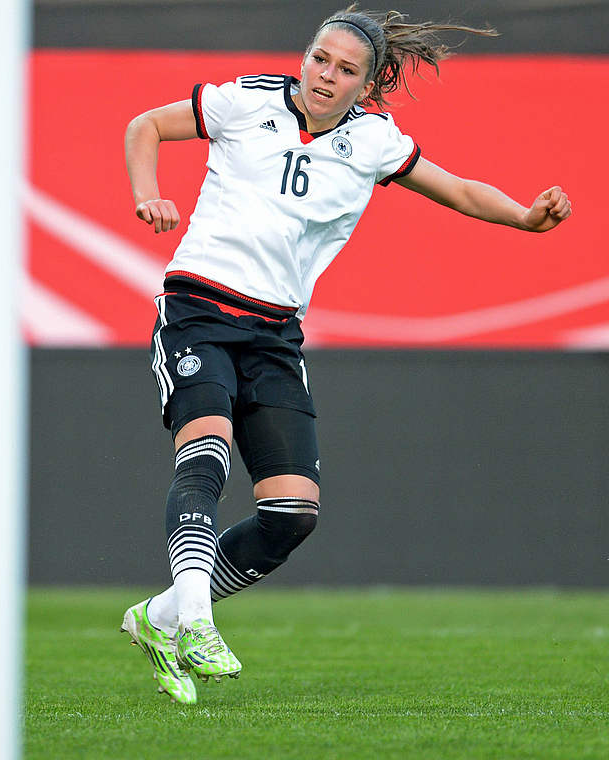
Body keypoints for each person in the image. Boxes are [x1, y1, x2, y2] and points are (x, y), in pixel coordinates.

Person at [119, 5, 570, 705]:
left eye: (345, 69)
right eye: (320, 59)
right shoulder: (245, 103)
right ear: (305, 57)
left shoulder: (375, 143)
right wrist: (149, 194)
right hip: (199, 310)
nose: (325, 76)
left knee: (292, 516)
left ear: (369, 84)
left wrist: (522, 216)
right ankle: (198, 623)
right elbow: (144, 124)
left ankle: (161, 616)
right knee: (204, 454)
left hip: (274, 334)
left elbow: (456, 190)